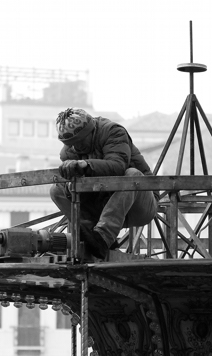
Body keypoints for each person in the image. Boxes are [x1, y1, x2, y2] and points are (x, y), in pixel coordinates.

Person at [50, 107, 158, 258]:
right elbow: (81, 194)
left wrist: (86, 165)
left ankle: (103, 237)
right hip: (104, 205)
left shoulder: (113, 132)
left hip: (140, 203)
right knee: (56, 190)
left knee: (132, 175)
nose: (76, 147)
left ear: (91, 131)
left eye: (80, 141)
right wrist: (69, 188)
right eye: (71, 143)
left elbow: (118, 166)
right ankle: (90, 235)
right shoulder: (68, 152)